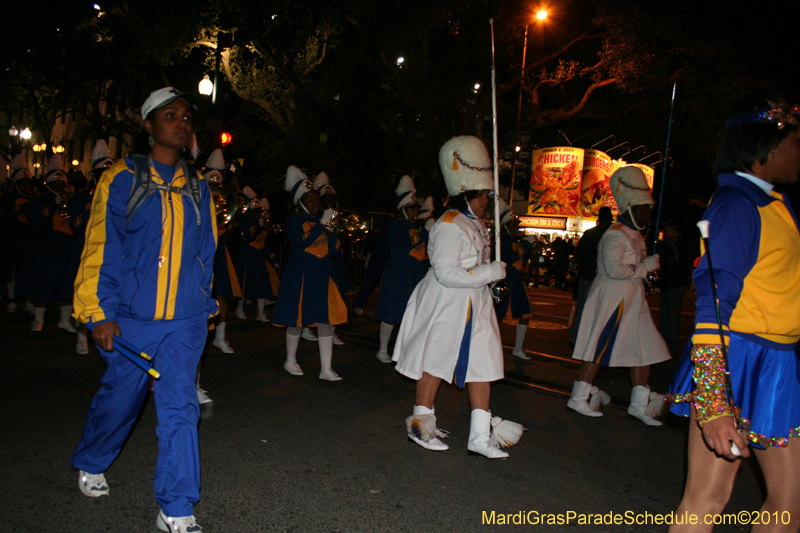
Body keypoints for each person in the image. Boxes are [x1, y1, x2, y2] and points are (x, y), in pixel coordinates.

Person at [71, 87, 216, 533]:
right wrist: (98, 313)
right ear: (149, 125)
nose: (181, 123)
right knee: (121, 400)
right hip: (131, 321)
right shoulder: (122, 178)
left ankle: (176, 506)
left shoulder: (198, 186)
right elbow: (101, 248)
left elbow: (205, 251)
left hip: (185, 322)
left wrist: (206, 300)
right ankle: (93, 460)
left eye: (187, 117)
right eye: (169, 115)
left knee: (179, 408)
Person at [667, 94, 800, 533]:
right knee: (706, 499)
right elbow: (712, 303)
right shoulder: (736, 205)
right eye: (794, 144)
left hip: (777, 362)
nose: (799, 154)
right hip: (736, 358)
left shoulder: (776, 204)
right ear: (764, 149)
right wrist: (713, 401)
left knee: (789, 507)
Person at [394, 135, 523, 459]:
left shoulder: (476, 223)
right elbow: (446, 272)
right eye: (481, 195)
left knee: (484, 366)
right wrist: (488, 273)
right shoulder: (450, 224)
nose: (485, 200)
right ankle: (420, 426)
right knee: (435, 363)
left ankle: (479, 437)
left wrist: (489, 279)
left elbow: (476, 266)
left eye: (486, 195)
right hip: (447, 304)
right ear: (465, 192)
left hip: (474, 305)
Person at [567, 165, 670, 425]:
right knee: (599, 348)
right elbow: (614, 271)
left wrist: (649, 273)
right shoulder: (614, 235)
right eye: (643, 208)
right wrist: (645, 267)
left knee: (644, 349)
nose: (648, 213)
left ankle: (638, 404)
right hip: (615, 299)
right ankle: (578, 398)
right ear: (629, 209)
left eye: (649, 208)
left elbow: (634, 271)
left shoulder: (635, 235)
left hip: (634, 300)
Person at [272, 165, 347, 381]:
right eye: (312, 200)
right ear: (300, 202)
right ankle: (290, 360)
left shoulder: (319, 223)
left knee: (326, 321)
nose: (317, 204)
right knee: (296, 320)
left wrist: (334, 233)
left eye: (317, 200)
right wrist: (322, 224)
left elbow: (333, 252)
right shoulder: (293, 221)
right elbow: (301, 242)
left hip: (322, 275)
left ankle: (325, 369)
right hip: (300, 276)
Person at [16, 154, 78, 333]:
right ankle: (38, 320)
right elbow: (35, 221)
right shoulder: (37, 203)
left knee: (66, 285)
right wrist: (52, 206)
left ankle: (64, 321)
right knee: (43, 285)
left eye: (62, 186)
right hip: (45, 250)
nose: (59, 189)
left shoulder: (71, 201)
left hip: (66, 248)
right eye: (55, 186)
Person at [374, 175, 430, 363]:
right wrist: (426, 231)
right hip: (399, 272)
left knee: (414, 314)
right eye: (413, 208)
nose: (416, 211)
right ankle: (382, 349)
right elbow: (408, 243)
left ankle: (407, 350)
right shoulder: (396, 225)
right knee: (392, 312)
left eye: (416, 208)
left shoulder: (416, 226)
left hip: (417, 273)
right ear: (404, 209)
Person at [494, 197, 534, 360]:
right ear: (506, 226)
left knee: (526, 313)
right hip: (506, 282)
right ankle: (492, 345)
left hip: (516, 282)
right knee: (498, 316)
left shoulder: (514, 240)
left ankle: (518, 348)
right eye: (514, 224)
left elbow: (524, 259)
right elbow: (510, 257)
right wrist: (527, 245)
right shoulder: (502, 240)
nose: (517, 227)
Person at [568, 206, 614, 345]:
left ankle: (575, 337)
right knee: (604, 310)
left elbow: (578, 256)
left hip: (587, 276)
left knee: (582, 307)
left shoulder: (589, 234)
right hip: (607, 278)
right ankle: (599, 340)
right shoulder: (614, 233)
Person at [656, 220, 696, 356]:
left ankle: (670, 348)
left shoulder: (680, 246)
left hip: (674, 286)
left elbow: (680, 266)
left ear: (673, 231)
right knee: (665, 317)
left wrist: (674, 280)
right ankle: (663, 346)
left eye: (667, 229)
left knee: (672, 318)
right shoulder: (668, 245)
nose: (664, 232)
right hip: (669, 285)